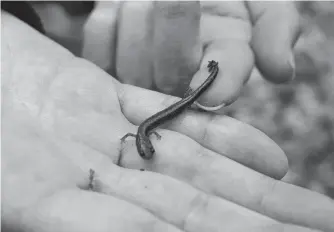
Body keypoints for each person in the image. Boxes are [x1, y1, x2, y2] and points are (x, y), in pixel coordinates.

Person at [1, 2, 333, 232]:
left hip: (174, 106)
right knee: (194, 97)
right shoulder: (140, 134)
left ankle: (213, 72)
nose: (148, 150)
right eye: (148, 148)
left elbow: (136, 134)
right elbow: (135, 135)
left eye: (147, 149)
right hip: (167, 105)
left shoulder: (141, 133)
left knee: (196, 96)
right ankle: (212, 73)